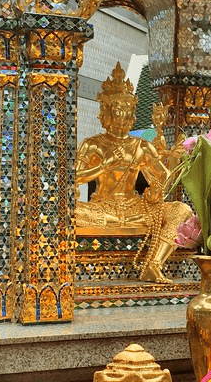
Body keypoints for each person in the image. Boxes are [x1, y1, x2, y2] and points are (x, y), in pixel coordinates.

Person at [75, 63, 192, 282]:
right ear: (107, 113)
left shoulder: (141, 146)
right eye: (117, 111)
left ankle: (154, 264)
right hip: (102, 209)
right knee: (65, 211)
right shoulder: (93, 144)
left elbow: (164, 175)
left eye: (127, 112)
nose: (122, 117)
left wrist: (158, 187)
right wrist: (104, 166)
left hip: (136, 209)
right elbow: (76, 177)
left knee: (182, 209)